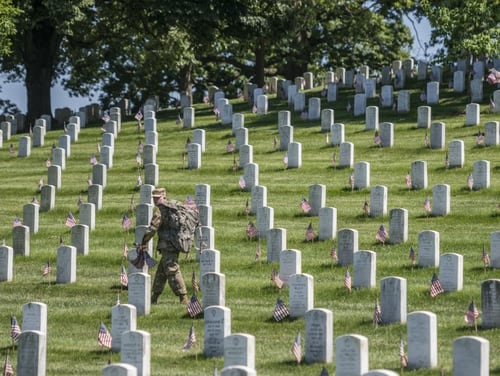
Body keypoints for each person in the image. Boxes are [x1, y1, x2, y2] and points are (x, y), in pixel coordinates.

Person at [140, 188, 199, 305]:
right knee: (161, 272)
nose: (155, 200)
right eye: (154, 198)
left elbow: (152, 229)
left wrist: (143, 242)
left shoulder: (160, 210)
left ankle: (184, 298)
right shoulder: (172, 207)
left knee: (172, 269)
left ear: (164, 197)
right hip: (175, 243)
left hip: (168, 245)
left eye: (157, 198)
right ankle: (154, 297)